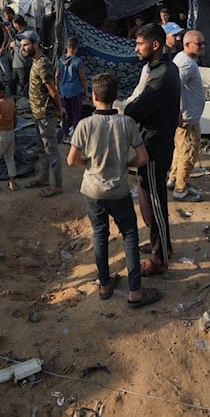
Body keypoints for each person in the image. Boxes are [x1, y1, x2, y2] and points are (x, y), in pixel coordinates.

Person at [68, 72, 161, 308]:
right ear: (115, 96)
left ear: (94, 95)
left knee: (100, 236)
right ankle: (135, 291)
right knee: (130, 235)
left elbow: (72, 160)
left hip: (92, 190)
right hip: (118, 190)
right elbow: (142, 157)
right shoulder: (126, 123)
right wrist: (123, 163)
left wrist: (90, 165)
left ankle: (105, 284)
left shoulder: (84, 125)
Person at [124, 23, 181, 277]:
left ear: (155, 45)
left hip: (155, 147)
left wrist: (131, 105)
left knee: (156, 203)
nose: (136, 48)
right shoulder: (159, 69)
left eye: (140, 44)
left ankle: (159, 259)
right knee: (147, 197)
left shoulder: (161, 76)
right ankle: (162, 245)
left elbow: (135, 110)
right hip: (151, 143)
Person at [22, 30, 64, 197]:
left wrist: (60, 108)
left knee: (51, 150)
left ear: (35, 44)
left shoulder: (43, 64)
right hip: (37, 113)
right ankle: (44, 178)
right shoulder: (35, 61)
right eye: (22, 46)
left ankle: (58, 186)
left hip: (46, 113)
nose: (22, 49)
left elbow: (52, 90)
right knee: (42, 149)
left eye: (25, 45)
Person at [171, 30, 206, 201]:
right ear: (186, 45)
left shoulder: (184, 59)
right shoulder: (187, 64)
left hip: (186, 117)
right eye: (199, 43)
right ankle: (180, 189)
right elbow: (174, 87)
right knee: (188, 153)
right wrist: (177, 112)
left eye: (203, 43)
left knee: (180, 150)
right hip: (187, 119)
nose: (202, 46)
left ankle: (173, 179)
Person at [57, 37, 88, 142]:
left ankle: (65, 135)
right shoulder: (78, 61)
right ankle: (76, 136)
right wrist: (85, 90)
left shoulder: (61, 60)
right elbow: (82, 78)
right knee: (76, 114)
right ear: (76, 48)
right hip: (75, 91)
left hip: (64, 91)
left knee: (66, 114)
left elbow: (57, 75)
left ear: (67, 46)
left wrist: (58, 88)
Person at [9, 15, 30, 97]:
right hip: (16, 64)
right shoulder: (19, 33)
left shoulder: (27, 34)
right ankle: (12, 102)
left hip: (23, 65)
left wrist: (15, 46)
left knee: (25, 85)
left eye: (14, 24)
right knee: (11, 83)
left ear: (17, 24)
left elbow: (26, 52)